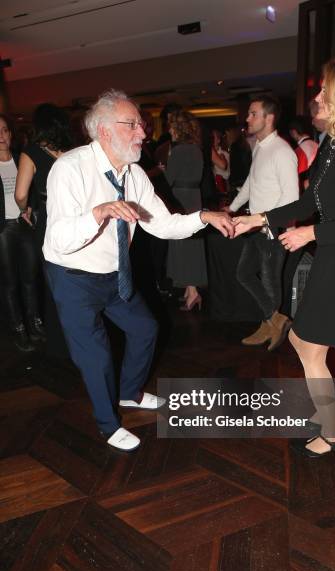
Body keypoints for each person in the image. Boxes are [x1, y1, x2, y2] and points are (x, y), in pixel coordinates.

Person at [43, 89, 233, 451]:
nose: (143, 133)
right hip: (73, 278)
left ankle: (129, 392)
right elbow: (58, 240)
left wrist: (203, 216)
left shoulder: (132, 174)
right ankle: (107, 423)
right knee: (96, 354)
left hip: (115, 274)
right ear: (104, 131)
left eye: (141, 125)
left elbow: (160, 224)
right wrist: (98, 213)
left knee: (145, 328)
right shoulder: (69, 169)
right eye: (132, 124)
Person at [233, 52, 335, 457]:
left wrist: (310, 233)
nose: (318, 95)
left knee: (306, 341)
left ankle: (332, 430)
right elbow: (307, 201)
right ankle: (330, 422)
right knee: (306, 344)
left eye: (326, 88)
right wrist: (260, 218)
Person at [225, 95, 299, 348]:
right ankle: (274, 319)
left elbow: (292, 198)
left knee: (270, 281)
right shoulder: (260, 147)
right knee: (244, 273)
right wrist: (232, 208)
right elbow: (251, 184)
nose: (247, 118)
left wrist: (268, 223)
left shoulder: (283, 152)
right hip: (256, 226)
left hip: (272, 228)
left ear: (269, 118)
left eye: (253, 113)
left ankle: (270, 323)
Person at [0, 114, 44, 352]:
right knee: (9, 282)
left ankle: (35, 323)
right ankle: (18, 328)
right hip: (3, 229)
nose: (1, 135)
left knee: (30, 277)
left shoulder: (21, 160)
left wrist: (31, 207)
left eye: (5, 130)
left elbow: (33, 192)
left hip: (24, 225)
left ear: (11, 134)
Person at [15, 103, 73, 250]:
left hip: (50, 215)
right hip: (76, 211)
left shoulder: (31, 152)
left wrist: (24, 210)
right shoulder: (76, 149)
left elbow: (21, 195)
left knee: (51, 263)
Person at [165, 111, 207, 311]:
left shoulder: (179, 150)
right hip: (194, 198)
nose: (169, 130)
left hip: (180, 199)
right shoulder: (196, 149)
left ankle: (192, 292)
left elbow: (169, 178)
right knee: (191, 244)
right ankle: (191, 290)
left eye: (171, 126)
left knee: (182, 244)